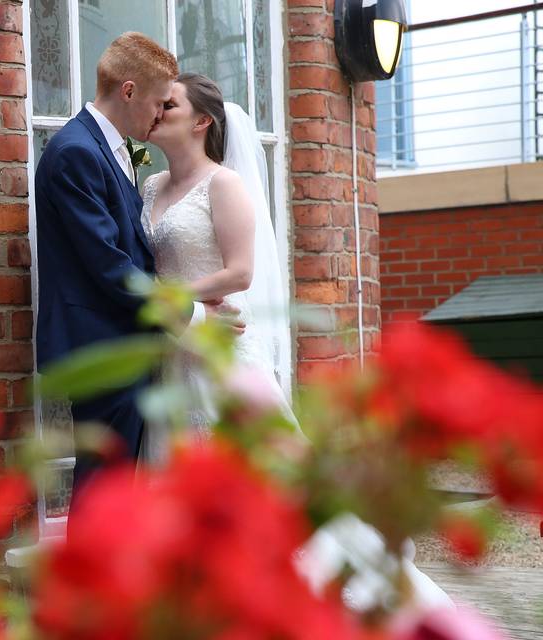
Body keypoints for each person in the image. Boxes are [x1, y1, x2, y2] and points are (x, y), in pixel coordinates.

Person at [142, 71, 453, 613]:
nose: (156, 110)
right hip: (171, 356)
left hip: (219, 353)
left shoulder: (224, 184)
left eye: (168, 104)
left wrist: (166, 297)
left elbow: (239, 274)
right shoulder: (148, 188)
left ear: (201, 121)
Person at [34, 34, 227, 500]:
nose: (160, 114)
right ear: (128, 91)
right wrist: (192, 313)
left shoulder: (112, 149)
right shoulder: (77, 152)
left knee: (117, 488)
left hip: (121, 344)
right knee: (102, 488)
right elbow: (110, 266)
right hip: (100, 347)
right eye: (159, 102)